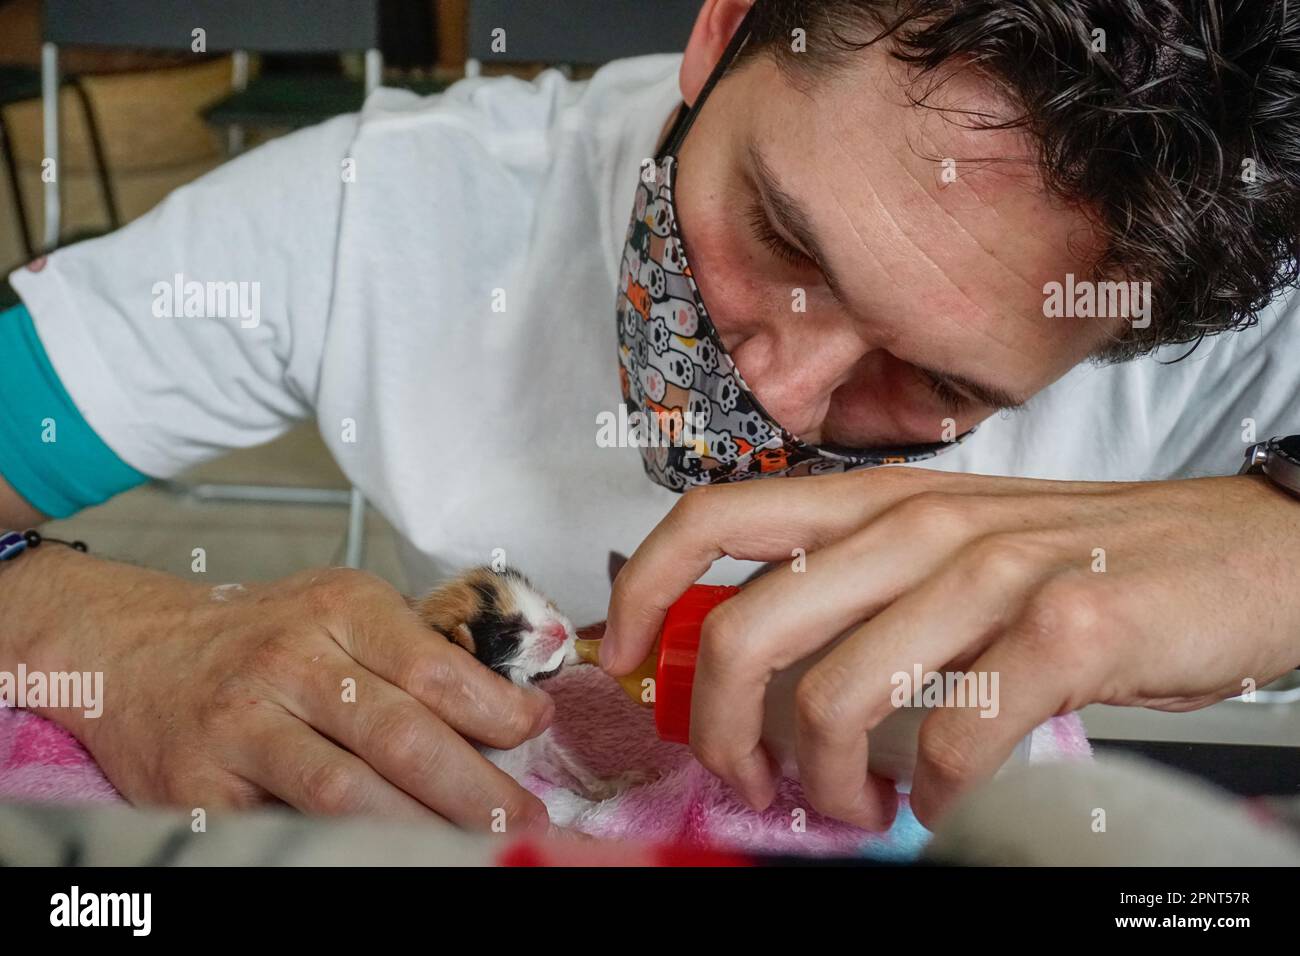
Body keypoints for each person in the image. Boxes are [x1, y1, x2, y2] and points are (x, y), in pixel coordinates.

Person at [0, 0, 1297, 832]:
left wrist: (1271, 542)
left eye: (942, 382)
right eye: (782, 233)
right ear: (722, 28)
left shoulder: (1237, 321)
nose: (776, 398)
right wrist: (93, 623)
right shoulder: (382, 216)